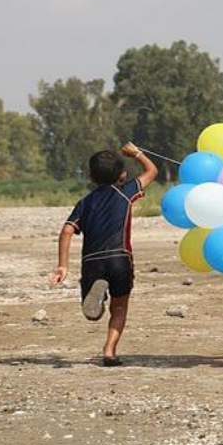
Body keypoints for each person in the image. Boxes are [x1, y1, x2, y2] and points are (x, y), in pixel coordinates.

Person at [50, 143, 158, 366]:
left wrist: (63, 265)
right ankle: (109, 351)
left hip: (92, 261)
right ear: (122, 175)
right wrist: (137, 153)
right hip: (120, 258)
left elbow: (67, 230)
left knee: (93, 313)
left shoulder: (85, 203)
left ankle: (95, 305)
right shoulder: (126, 192)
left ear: (91, 177)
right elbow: (152, 171)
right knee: (120, 306)